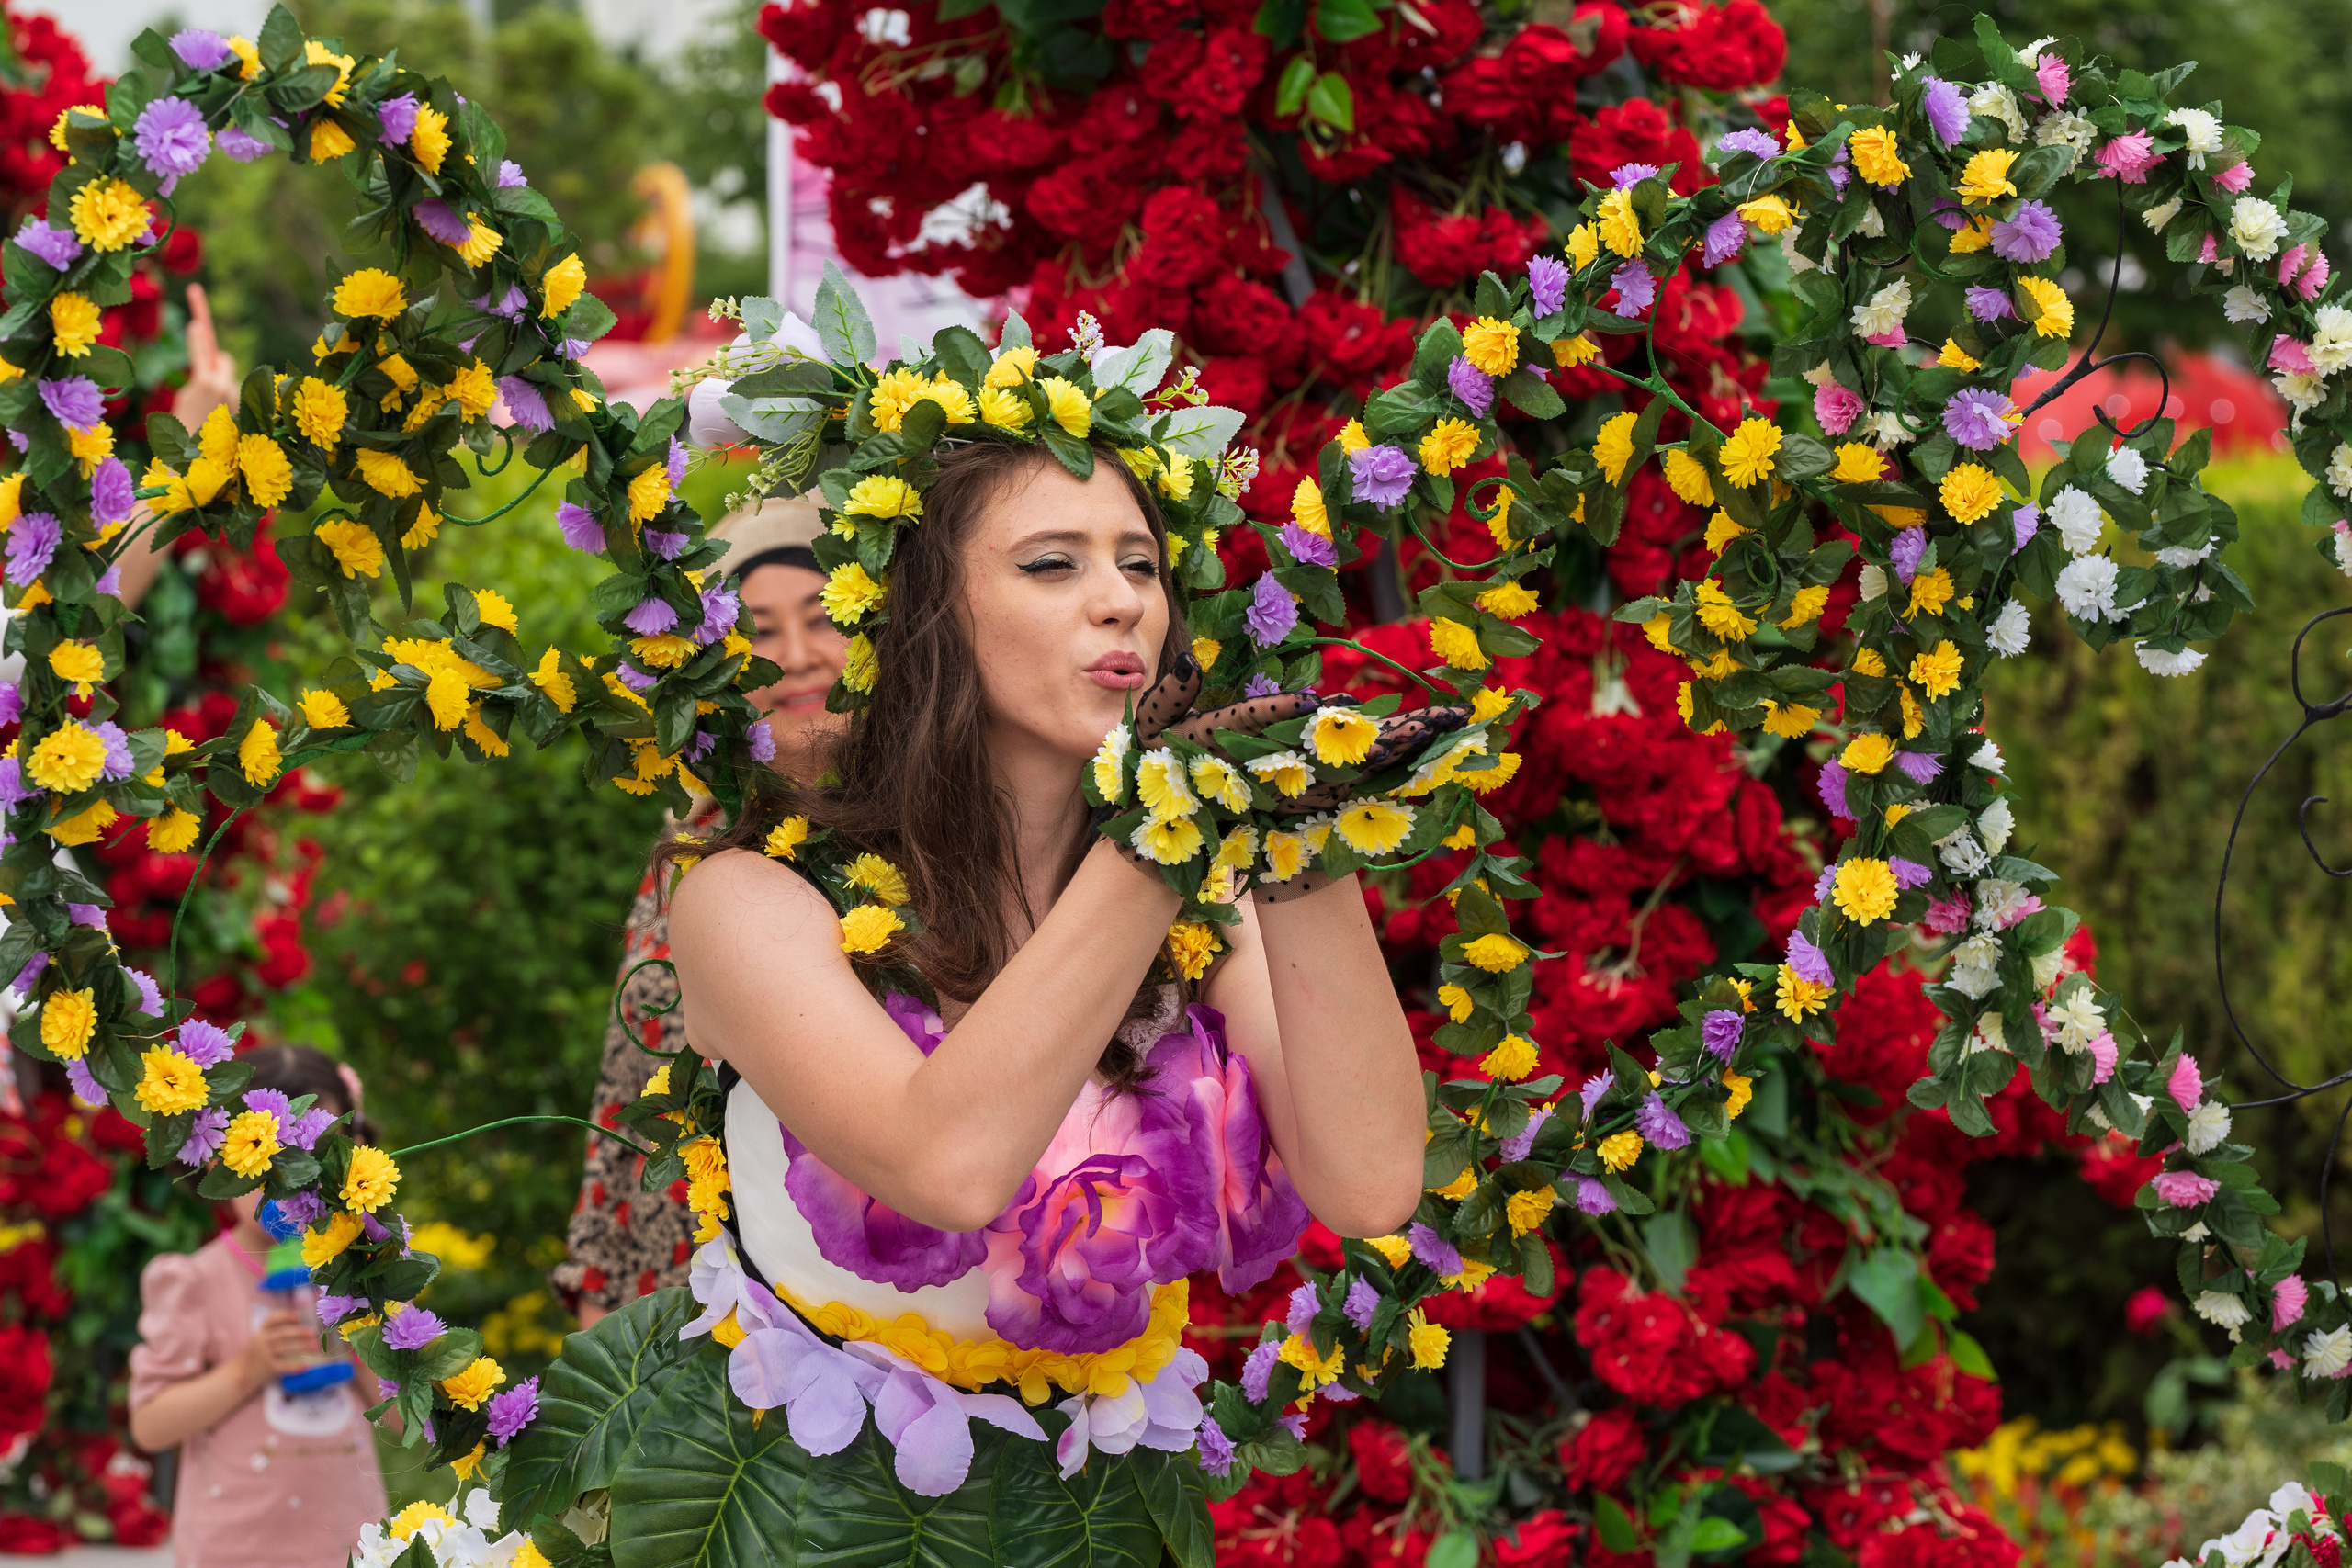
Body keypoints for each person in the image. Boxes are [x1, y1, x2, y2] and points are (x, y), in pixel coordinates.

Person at [639, 435, 1442, 1533]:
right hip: (794, 1514)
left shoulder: (1203, 911)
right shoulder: (751, 896)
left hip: (1091, 1517)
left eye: (1141, 565)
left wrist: (1307, 840)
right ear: (922, 616)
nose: (1121, 602)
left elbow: (1371, 1188)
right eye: (1053, 564)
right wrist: (1161, 832)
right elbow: (950, 1169)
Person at [550, 497, 848, 1326]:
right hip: (709, 1267)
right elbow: (635, 1078)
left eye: (822, 619)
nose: (798, 656)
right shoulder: (698, 842)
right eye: (761, 634)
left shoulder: (937, 818)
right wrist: (609, 1292)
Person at [127, 1045, 390, 1568]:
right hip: (233, 1552)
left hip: (351, 1548)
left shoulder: (358, 1275)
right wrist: (249, 1369)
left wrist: (362, 1341)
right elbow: (150, 1424)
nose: (290, 1186)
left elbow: (408, 1423)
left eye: (315, 1160)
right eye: (265, 1160)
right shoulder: (196, 1282)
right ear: (218, 1159)